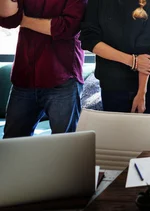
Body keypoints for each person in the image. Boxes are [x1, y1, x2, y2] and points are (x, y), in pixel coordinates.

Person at [0, 0, 87, 138]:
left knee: (64, 146)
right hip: (24, 76)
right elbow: (8, 20)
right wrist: (25, 21)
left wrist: (23, 19)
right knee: (11, 144)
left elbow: (67, 27)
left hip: (62, 77)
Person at [80, 0, 150, 114]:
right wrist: (132, 61)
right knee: (116, 132)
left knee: (144, 132)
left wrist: (141, 93)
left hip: (147, 84)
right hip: (111, 84)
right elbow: (89, 39)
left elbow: (148, 47)